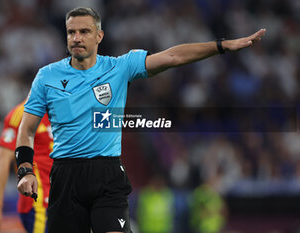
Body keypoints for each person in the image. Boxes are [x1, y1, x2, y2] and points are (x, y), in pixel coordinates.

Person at [14, 7, 266, 233]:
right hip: (65, 175)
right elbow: (26, 129)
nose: (76, 38)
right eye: (71, 32)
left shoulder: (119, 67)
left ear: (99, 36)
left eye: (84, 31)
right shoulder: (47, 76)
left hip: (106, 174)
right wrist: (25, 170)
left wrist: (221, 45)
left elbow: (173, 57)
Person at [0, 101, 53, 233]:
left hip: (65, 198)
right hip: (38, 204)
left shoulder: (63, 109)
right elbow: (3, 159)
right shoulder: (21, 113)